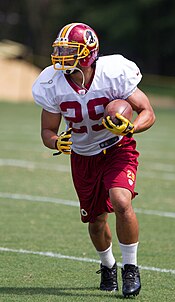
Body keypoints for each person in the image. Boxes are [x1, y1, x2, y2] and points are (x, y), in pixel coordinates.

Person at [32, 22, 155, 298]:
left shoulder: (113, 73)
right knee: (96, 221)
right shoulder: (51, 83)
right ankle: (108, 265)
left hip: (117, 148)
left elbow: (147, 111)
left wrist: (130, 128)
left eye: (69, 50)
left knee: (122, 201)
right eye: (60, 49)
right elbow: (47, 130)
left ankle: (131, 269)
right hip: (83, 156)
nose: (62, 55)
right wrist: (55, 142)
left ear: (88, 52)